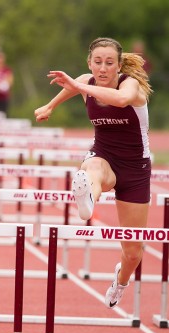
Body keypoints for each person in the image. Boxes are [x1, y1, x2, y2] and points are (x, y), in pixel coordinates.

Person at [34, 37, 152, 309]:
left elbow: (121, 101)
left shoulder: (129, 85)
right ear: (90, 63)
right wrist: (51, 106)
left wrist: (77, 85)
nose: (102, 68)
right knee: (94, 169)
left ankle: (120, 281)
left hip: (135, 169)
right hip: (104, 157)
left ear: (119, 65)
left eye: (109, 63)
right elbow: (73, 90)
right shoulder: (85, 81)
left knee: (133, 252)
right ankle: (88, 195)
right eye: (97, 62)